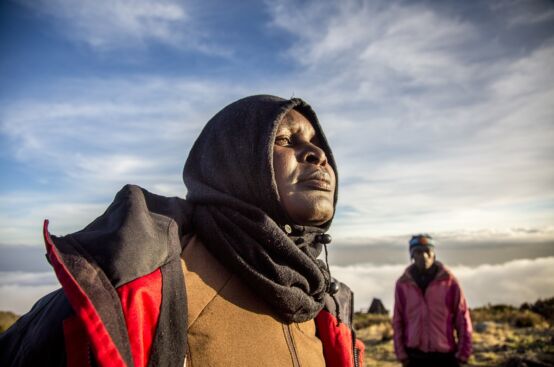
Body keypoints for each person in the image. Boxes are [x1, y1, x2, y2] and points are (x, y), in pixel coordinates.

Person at [0, 95, 365, 367]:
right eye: (285, 139)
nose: (318, 154)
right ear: (232, 159)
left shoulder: (324, 300)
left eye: (318, 143)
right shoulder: (140, 277)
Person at [392, 234, 472, 367]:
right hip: (414, 356)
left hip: (445, 356)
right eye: (418, 252)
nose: (423, 256)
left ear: (434, 254)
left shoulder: (449, 282)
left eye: (427, 251)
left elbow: (462, 317)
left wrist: (463, 353)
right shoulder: (403, 284)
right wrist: (401, 354)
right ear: (412, 255)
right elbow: (398, 320)